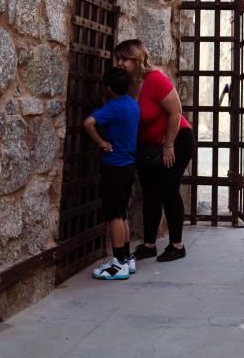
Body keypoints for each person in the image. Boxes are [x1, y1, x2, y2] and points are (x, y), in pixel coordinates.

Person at [114, 39, 195, 263]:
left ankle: (177, 245)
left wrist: (168, 144)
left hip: (177, 140)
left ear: (138, 60)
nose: (120, 63)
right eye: (118, 58)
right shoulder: (125, 84)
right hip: (149, 148)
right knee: (150, 194)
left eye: (125, 59)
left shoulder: (155, 79)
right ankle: (149, 245)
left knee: (168, 189)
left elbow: (176, 111)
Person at [83, 66, 139, 280]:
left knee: (114, 215)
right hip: (128, 165)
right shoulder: (133, 105)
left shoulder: (113, 107)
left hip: (114, 165)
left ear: (108, 87)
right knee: (122, 212)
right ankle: (126, 258)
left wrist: (101, 142)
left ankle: (117, 264)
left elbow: (88, 123)